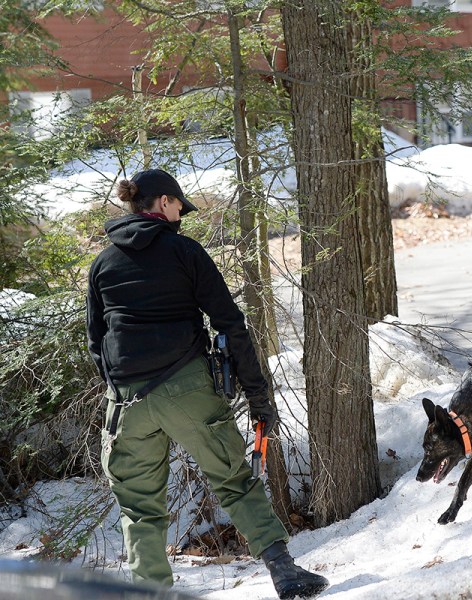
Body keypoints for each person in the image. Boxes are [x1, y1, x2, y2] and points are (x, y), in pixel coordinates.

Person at [86, 168, 328, 599]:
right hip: (186, 386)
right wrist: (258, 396)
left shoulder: (103, 263)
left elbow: (96, 341)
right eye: (179, 206)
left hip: (125, 400)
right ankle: (285, 574)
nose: (182, 215)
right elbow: (231, 325)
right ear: (163, 203)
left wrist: (122, 387)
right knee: (234, 480)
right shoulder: (184, 251)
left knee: (139, 510)